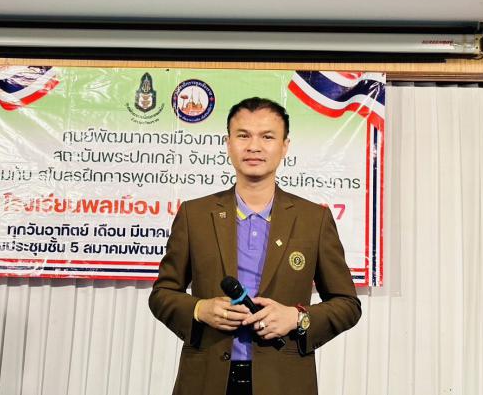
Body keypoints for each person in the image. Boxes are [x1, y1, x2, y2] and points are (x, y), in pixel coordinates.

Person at [149, 97, 361, 395]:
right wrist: (199, 309)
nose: (254, 147)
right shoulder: (194, 215)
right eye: (243, 135)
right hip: (205, 380)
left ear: (285, 146)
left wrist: (297, 318)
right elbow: (162, 294)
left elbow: (347, 304)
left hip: (284, 383)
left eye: (267, 137)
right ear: (228, 143)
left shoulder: (314, 220)